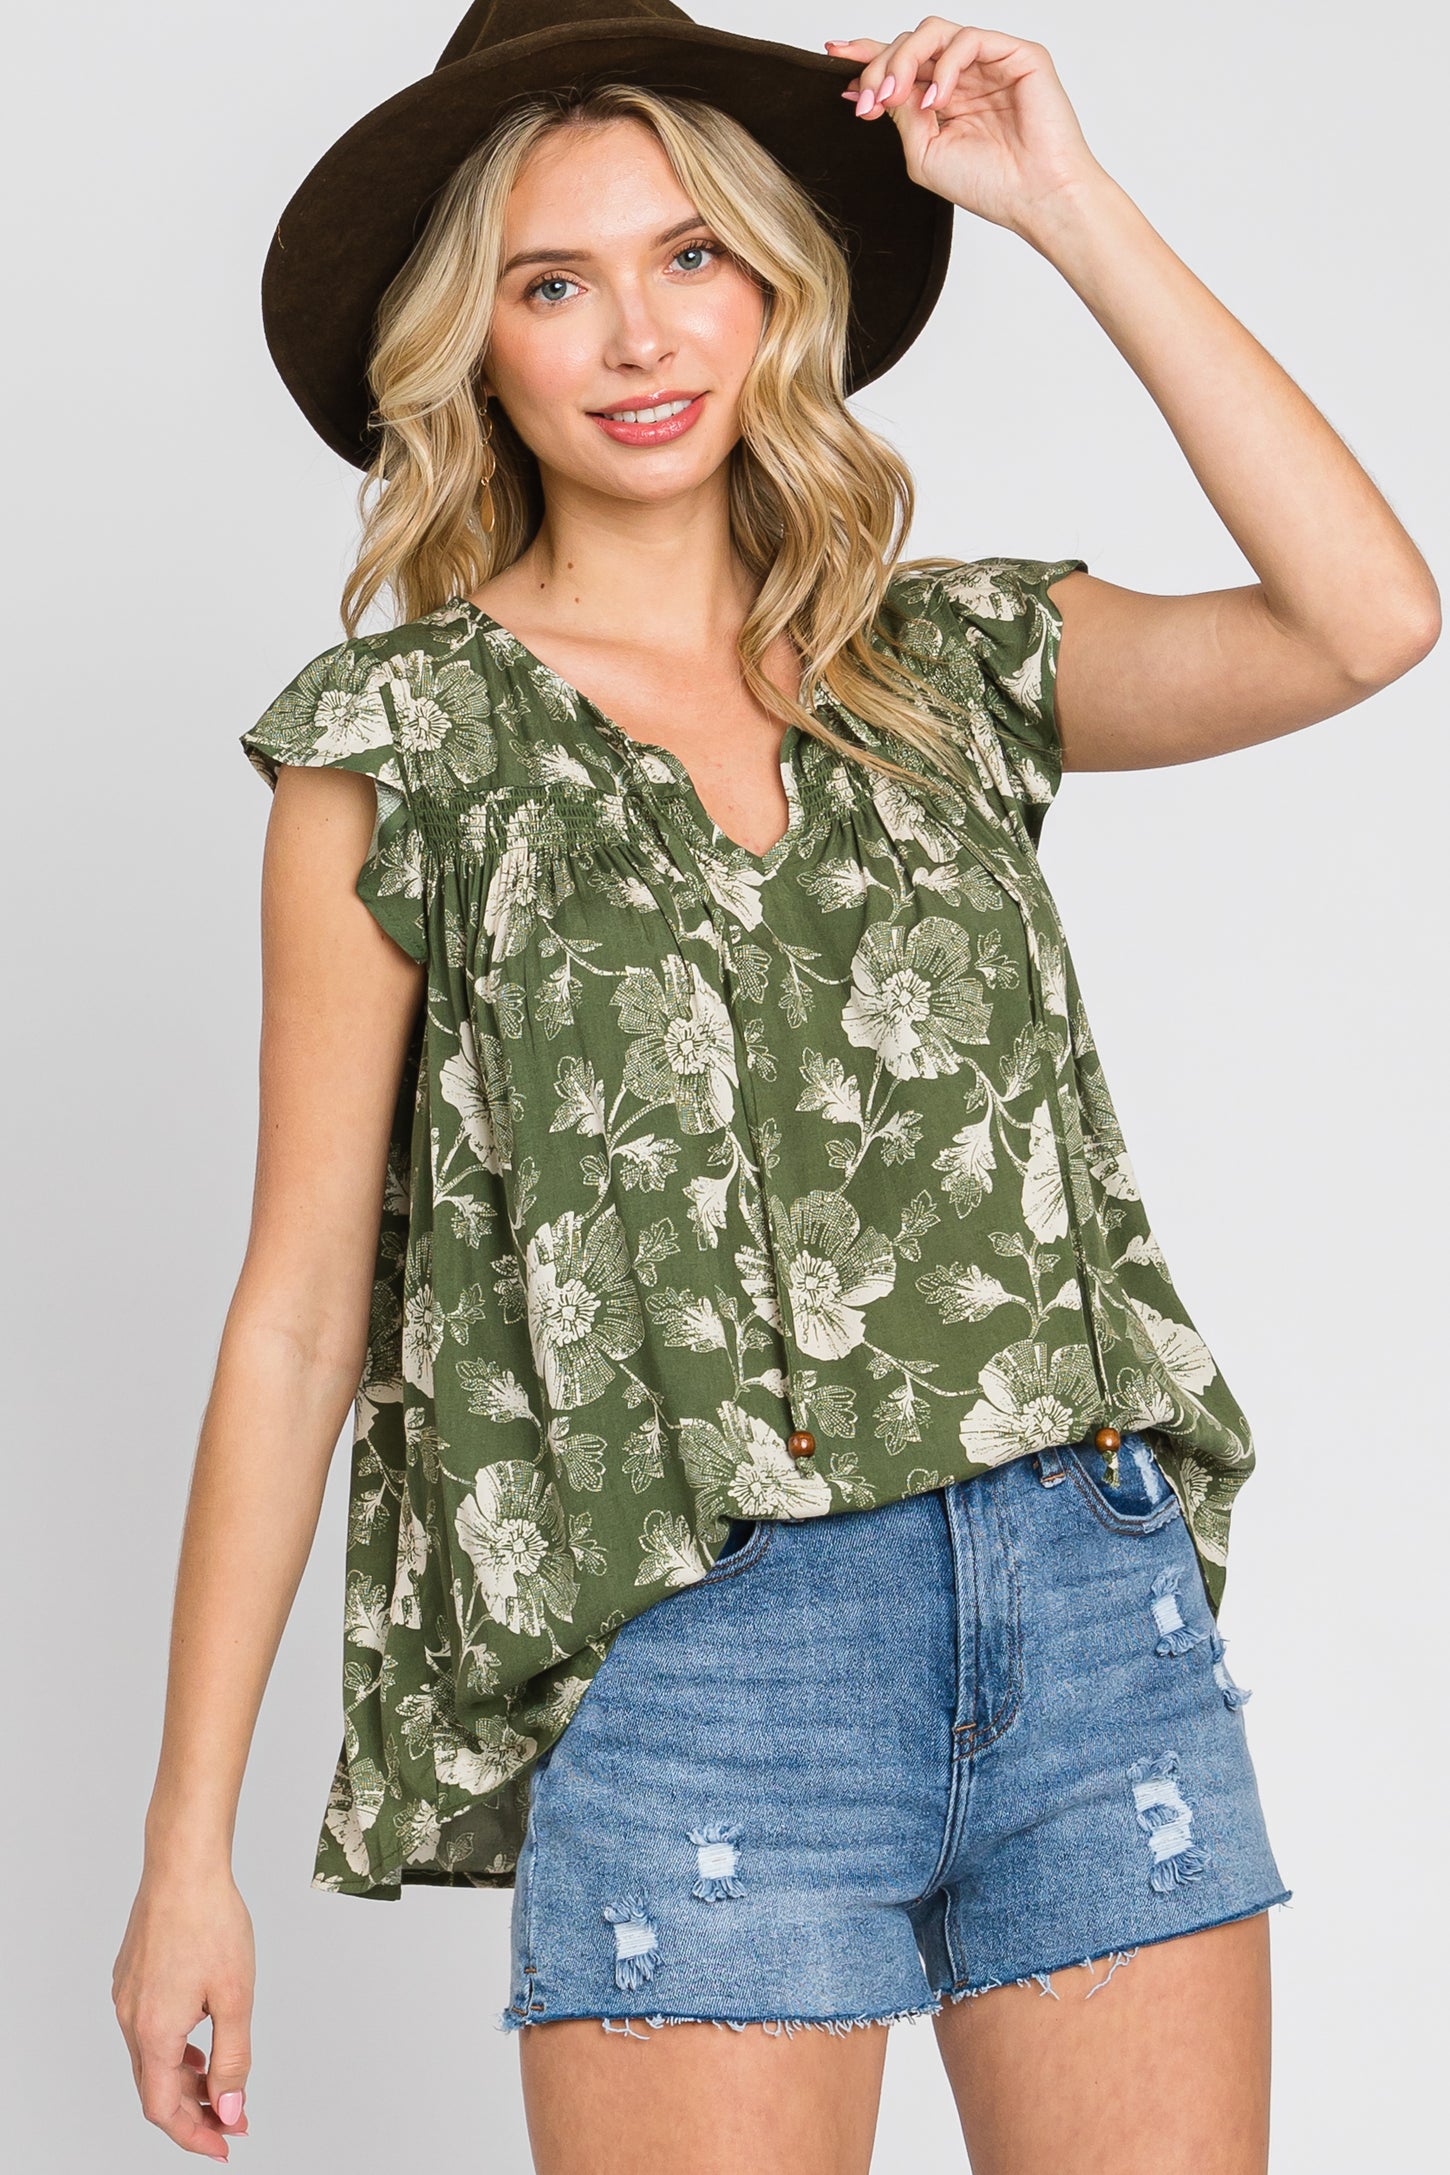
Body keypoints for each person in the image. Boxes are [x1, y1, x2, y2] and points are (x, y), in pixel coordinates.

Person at [112, 7, 1439, 2173]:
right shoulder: (400, 743)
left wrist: (1062, 205)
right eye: (552, 283)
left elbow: (1365, 617)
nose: (639, 336)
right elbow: (297, 1310)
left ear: (774, 290)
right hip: (707, 1654)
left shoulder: (941, 664)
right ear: (471, 346)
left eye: (691, 258)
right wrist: (188, 1849)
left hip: (1082, 1603)